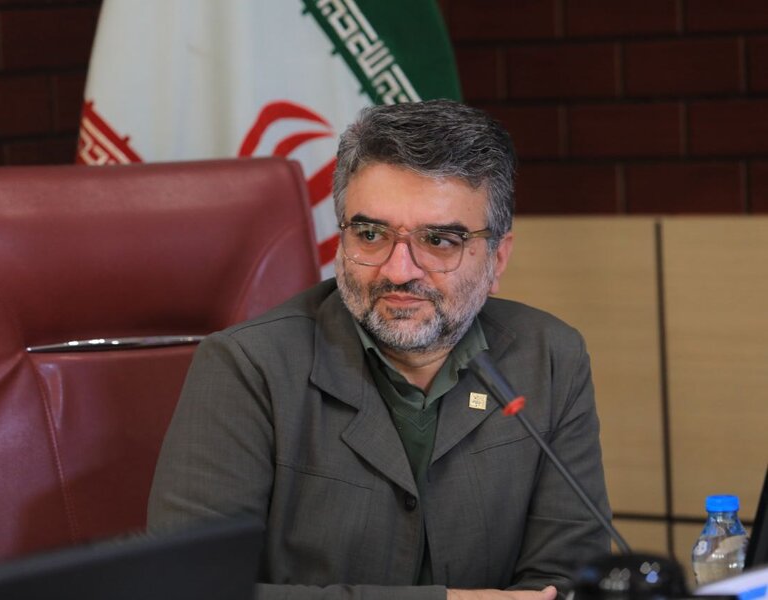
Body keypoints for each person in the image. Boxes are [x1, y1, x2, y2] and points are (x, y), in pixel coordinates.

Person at [147, 99, 611, 599]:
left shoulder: (549, 357)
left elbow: (572, 576)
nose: (398, 270)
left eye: (439, 241)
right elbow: (187, 591)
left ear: (497, 260)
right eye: (370, 234)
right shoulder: (248, 367)